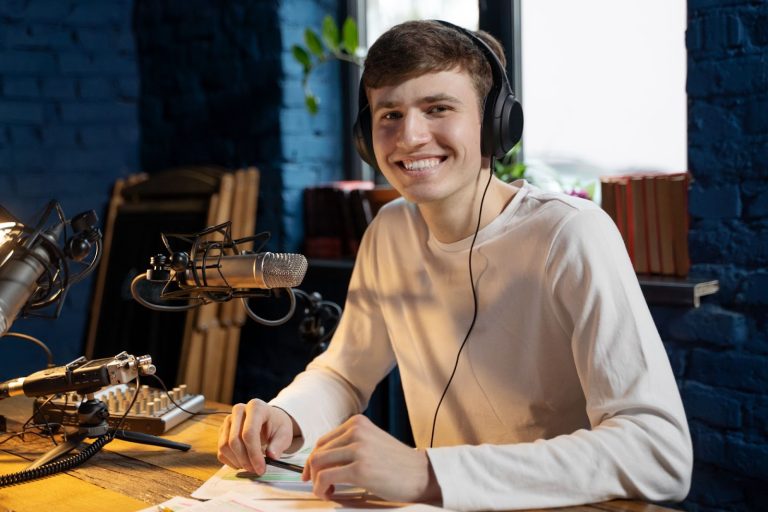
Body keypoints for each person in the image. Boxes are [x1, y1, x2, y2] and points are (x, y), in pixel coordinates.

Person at [218, 20, 692, 511]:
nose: (409, 137)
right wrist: (287, 416)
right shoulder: (390, 231)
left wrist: (427, 472)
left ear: (494, 124)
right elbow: (345, 373)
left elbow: (658, 451)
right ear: (366, 136)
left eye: (438, 108)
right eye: (390, 115)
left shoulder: (571, 235)